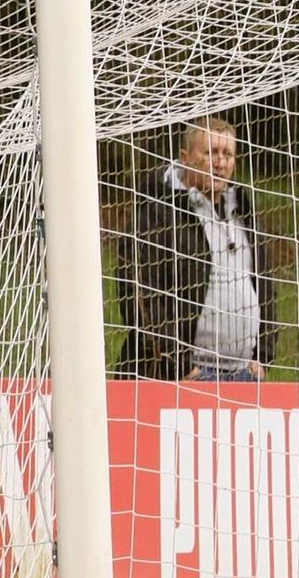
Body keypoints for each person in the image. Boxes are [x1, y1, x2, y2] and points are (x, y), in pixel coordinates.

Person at [115, 117, 277, 381]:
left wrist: (263, 358)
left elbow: (266, 288)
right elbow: (139, 296)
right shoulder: (156, 214)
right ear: (185, 157)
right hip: (186, 377)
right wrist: (177, 365)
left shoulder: (244, 214)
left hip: (245, 375)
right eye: (210, 152)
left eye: (227, 154)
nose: (220, 162)